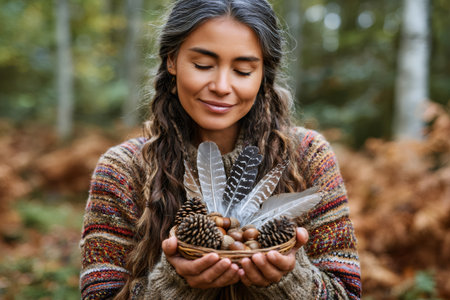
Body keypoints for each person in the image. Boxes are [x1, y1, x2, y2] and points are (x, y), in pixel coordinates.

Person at [79, 0, 361, 299]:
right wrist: (175, 285)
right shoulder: (122, 169)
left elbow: (347, 293)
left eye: (242, 70)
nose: (222, 86)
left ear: (264, 73)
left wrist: (291, 282)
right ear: (171, 60)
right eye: (203, 65)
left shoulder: (307, 156)